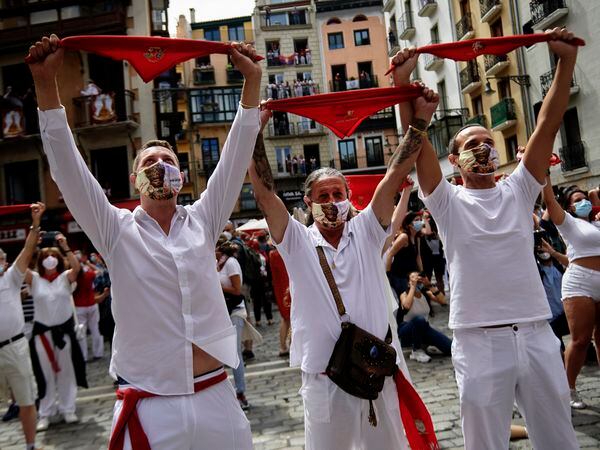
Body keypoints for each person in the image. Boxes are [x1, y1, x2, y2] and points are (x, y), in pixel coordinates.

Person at [27, 34, 261, 449]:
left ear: (181, 178)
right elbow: (67, 167)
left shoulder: (204, 221)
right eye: (147, 162)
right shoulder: (115, 229)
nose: (158, 166)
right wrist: (46, 84)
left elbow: (237, 154)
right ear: (136, 181)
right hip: (152, 406)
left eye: (167, 161)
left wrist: (252, 83)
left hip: (215, 397)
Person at [392, 27, 580, 449]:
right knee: (484, 444)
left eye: (487, 142)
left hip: (535, 333)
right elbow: (415, 143)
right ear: (454, 159)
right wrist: (403, 87)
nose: (482, 148)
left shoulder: (518, 188)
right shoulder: (446, 200)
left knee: (560, 440)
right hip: (478, 340)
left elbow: (548, 121)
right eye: (470, 144)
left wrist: (566, 60)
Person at [248, 84, 439, 449]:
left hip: (376, 372)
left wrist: (420, 121)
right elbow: (265, 194)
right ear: (308, 202)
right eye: (324, 196)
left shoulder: (367, 229)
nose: (333, 202)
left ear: (350, 199)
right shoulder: (297, 240)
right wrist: (254, 132)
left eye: (339, 194)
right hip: (323, 378)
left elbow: (394, 174)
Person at [542, 177, 600, 409]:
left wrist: (593, 197)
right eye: (577, 200)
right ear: (569, 207)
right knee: (580, 340)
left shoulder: (597, 222)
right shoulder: (567, 223)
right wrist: (544, 170)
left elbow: (596, 193)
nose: (584, 202)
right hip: (580, 282)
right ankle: (569, 389)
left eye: (585, 198)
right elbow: (548, 198)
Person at [26, 233, 84, 431]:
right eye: (45, 257)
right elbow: (22, 266)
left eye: (53, 256)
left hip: (64, 333)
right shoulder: (34, 280)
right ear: (40, 262)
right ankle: (46, 412)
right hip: (42, 335)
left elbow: (77, 268)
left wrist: (65, 245)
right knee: (44, 374)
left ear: (58, 260)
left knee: (66, 371)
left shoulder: (64, 278)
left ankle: (68, 408)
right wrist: (34, 246)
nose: (49, 259)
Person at [0, 203, 44, 450]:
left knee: (26, 399)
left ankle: (30, 446)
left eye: (0, 258)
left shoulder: (12, 277)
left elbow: (28, 249)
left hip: (14, 346)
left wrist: (35, 224)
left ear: (4, 261)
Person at [216, 237, 250, 411]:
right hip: (220, 312)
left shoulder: (231, 263)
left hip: (235, 310)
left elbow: (237, 289)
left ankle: (241, 392)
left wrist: (216, 285)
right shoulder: (216, 264)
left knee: (235, 353)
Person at [398, 271, 451, 363]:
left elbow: (443, 301)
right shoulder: (404, 294)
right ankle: (416, 351)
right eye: (414, 277)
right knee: (419, 319)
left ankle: (423, 344)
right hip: (406, 330)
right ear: (408, 282)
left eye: (419, 277)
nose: (418, 279)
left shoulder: (426, 293)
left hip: (424, 328)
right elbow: (406, 306)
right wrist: (413, 287)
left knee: (450, 348)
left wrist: (429, 284)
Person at [536, 239, 569, 352]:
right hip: (552, 320)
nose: (542, 251)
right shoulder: (538, 273)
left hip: (567, 313)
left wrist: (553, 252)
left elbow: (571, 263)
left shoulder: (559, 267)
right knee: (558, 349)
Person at [73, 251, 104, 362]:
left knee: (82, 333)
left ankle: (84, 356)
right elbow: (99, 272)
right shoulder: (88, 272)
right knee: (95, 329)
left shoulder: (74, 273)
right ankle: (98, 353)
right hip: (91, 304)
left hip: (79, 306)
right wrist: (87, 262)